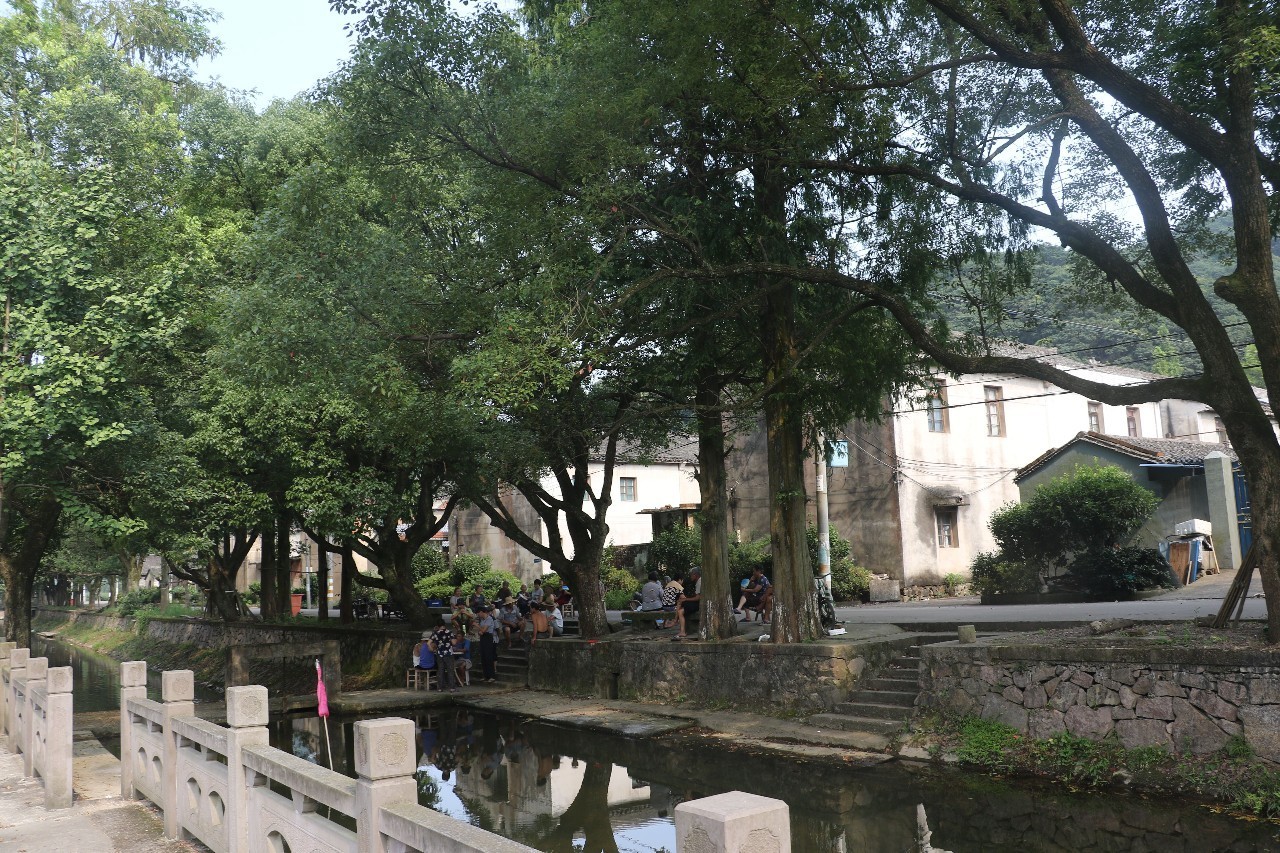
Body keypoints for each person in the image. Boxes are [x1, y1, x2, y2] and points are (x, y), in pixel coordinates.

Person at [674, 568, 702, 639]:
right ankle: (677, 623)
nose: (690, 577)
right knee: (680, 607)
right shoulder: (699, 581)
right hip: (698, 603)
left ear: (695, 575)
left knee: (680, 606)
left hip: (698, 604)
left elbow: (698, 598)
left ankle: (676, 623)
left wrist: (686, 599)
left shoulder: (699, 582)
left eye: (691, 575)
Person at [430, 622, 457, 692]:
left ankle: (440, 688)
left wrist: (432, 649)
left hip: (439, 654)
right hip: (448, 653)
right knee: (450, 670)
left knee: (440, 670)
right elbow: (454, 643)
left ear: (437, 626)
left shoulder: (435, 633)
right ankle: (452, 688)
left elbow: (428, 643)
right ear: (444, 625)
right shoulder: (449, 632)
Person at [475, 605, 499, 682]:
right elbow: (481, 631)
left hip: (488, 637)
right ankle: (486, 675)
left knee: (489, 657)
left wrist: (477, 626)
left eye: (478, 613)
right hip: (483, 638)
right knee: (483, 657)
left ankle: (492, 675)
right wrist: (480, 631)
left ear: (482, 612)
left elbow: (484, 630)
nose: (478, 615)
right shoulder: (482, 620)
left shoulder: (489, 619)